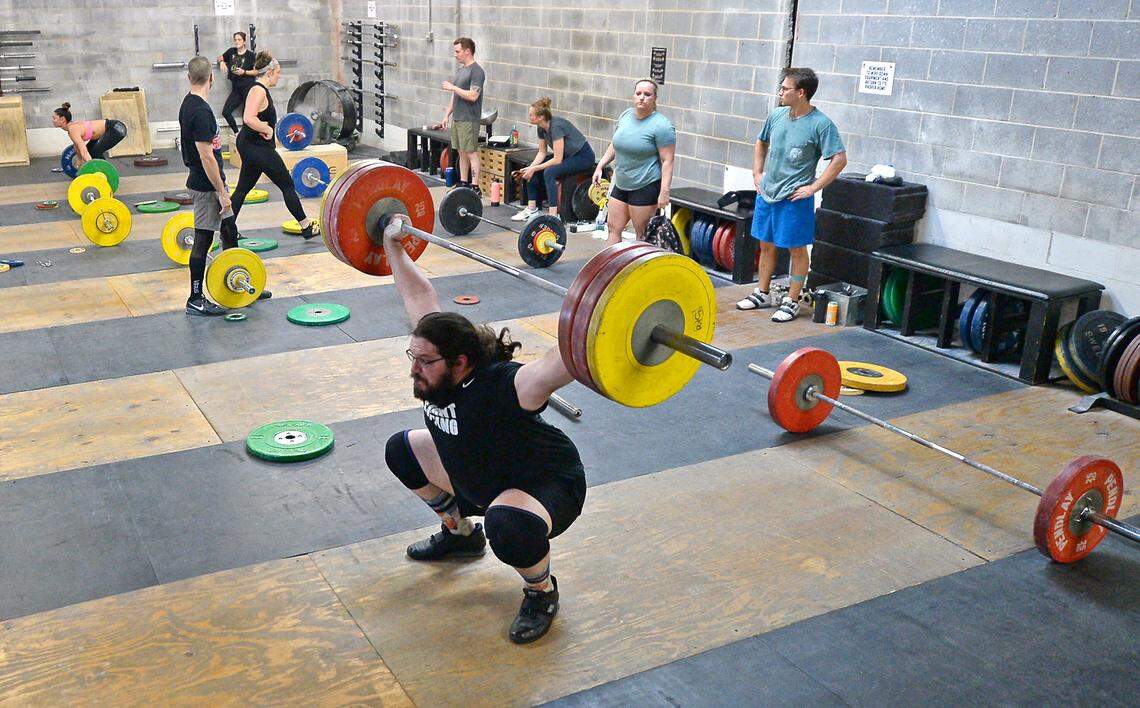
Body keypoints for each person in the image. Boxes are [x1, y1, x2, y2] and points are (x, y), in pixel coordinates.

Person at [380, 212, 587, 644]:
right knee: (401, 449)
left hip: (543, 484)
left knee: (506, 525)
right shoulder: (440, 351)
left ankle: (541, 592)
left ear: (460, 362)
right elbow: (418, 295)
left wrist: (596, 319)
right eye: (413, 357)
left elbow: (560, 364)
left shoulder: (506, 385)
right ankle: (460, 535)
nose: (414, 369)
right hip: (478, 476)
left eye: (424, 362)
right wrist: (392, 245)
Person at [736, 67, 847, 323]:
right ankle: (762, 292)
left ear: (801, 93)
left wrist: (813, 187)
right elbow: (761, 142)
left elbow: (839, 159)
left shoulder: (821, 124)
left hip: (794, 198)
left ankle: (792, 300)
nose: (780, 92)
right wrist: (757, 173)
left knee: (796, 249)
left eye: (785, 88)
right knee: (765, 244)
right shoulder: (777, 115)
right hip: (768, 193)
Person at [178, 56, 244, 316]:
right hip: (206, 186)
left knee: (229, 229)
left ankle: (237, 278)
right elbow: (206, 157)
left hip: (213, 182)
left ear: (189, 78)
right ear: (212, 78)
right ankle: (195, 298)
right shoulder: (201, 111)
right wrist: (221, 192)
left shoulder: (189, 103)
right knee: (203, 240)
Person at [229, 51, 318, 240]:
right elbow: (248, 118)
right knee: (287, 185)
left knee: (242, 189)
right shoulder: (258, 90)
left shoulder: (259, 89)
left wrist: (270, 132)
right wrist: (267, 129)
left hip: (253, 145)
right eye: (277, 73)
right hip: (256, 147)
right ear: (269, 73)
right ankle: (306, 227)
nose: (279, 76)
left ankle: (227, 230)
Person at [592, 79, 675, 246]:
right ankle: (611, 263)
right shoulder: (626, 116)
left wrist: (664, 191)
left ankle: (640, 264)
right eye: (638, 93)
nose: (642, 97)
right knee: (613, 228)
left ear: (655, 98)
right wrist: (600, 165)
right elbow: (616, 144)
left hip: (645, 185)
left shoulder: (662, 126)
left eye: (647, 94)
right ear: (633, 95)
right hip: (621, 183)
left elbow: (668, 160)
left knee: (642, 235)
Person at [511, 97, 596, 222]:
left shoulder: (556, 127)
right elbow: (542, 152)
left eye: (531, 115)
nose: (529, 117)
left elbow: (557, 159)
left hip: (583, 156)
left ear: (540, 117)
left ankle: (553, 214)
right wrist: (531, 168)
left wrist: (535, 168)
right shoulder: (540, 127)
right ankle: (532, 209)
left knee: (549, 172)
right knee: (530, 167)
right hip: (567, 155)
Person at [438, 37, 485, 193]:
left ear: (467, 51)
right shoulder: (461, 71)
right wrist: (446, 115)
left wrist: (453, 87)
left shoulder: (477, 71)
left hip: (469, 119)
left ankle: (475, 186)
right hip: (457, 118)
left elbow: (473, 96)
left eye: (457, 51)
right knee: (461, 151)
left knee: (471, 152)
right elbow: (455, 95)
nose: (455, 55)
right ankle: (464, 182)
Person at [52, 103, 128, 167]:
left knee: (95, 152)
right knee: (91, 152)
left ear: (62, 119)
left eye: (54, 118)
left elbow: (84, 151)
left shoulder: (73, 130)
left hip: (116, 129)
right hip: (114, 128)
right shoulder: (71, 128)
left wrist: (90, 167)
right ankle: (101, 170)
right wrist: (79, 159)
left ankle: (105, 172)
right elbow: (77, 146)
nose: (52, 120)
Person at [217, 31, 256, 134]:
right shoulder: (231, 51)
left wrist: (244, 72)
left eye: (239, 40)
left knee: (247, 116)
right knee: (226, 112)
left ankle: (246, 136)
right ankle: (236, 132)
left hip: (248, 88)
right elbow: (221, 57)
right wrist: (221, 62)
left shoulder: (250, 55)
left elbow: (256, 71)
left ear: (244, 41)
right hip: (236, 88)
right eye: (235, 40)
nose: (237, 42)